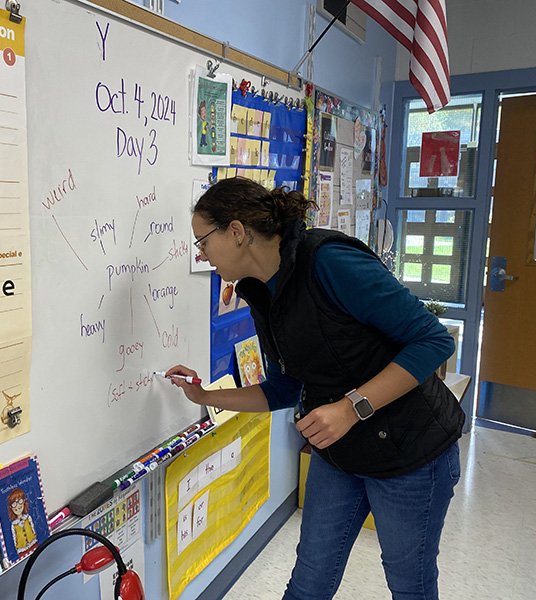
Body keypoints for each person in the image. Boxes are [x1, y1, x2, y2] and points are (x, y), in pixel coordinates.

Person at [168, 177, 465, 600]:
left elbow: (434, 341)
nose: (200, 254)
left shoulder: (329, 261)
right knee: (308, 582)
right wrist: (205, 397)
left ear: (236, 232)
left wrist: (351, 407)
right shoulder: (259, 292)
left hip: (412, 451)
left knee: (409, 585)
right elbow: (284, 390)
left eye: (202, 241)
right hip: (339, 455)